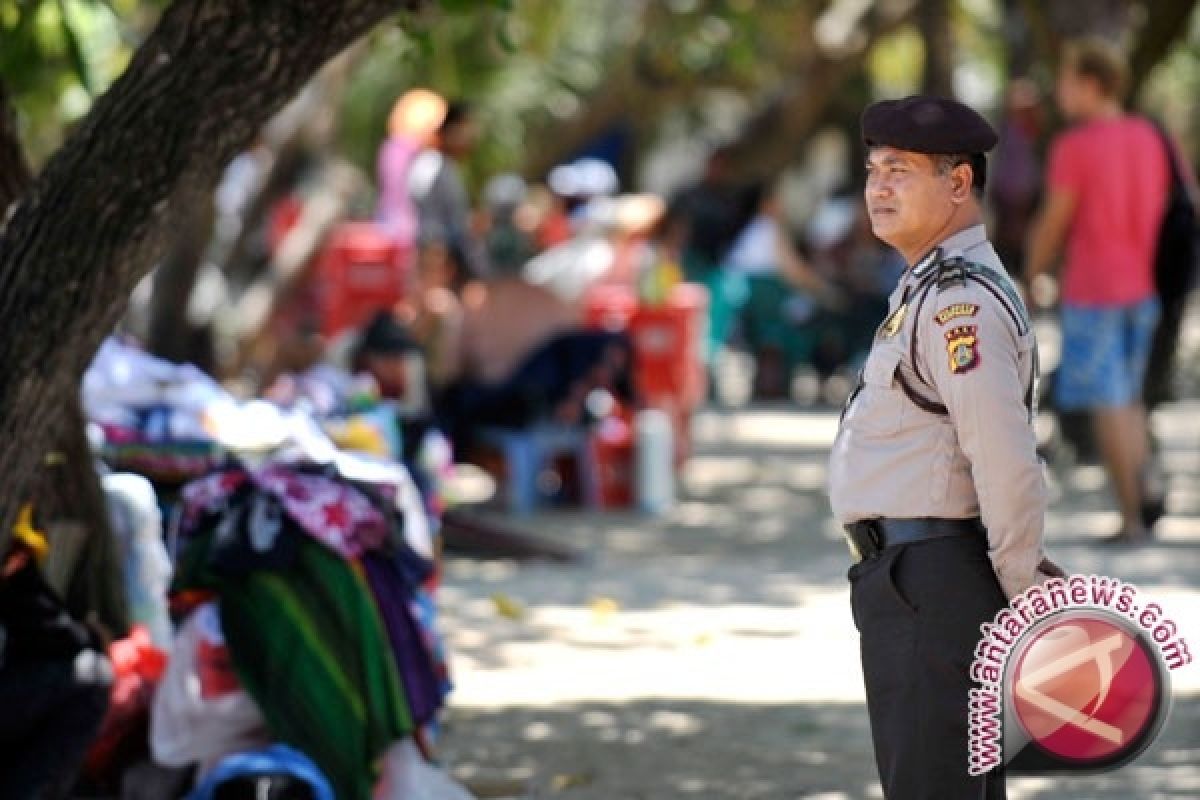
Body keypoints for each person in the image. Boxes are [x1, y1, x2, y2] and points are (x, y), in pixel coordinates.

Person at [828, 95, 1062, 799]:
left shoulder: (962, 302)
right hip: (915, 582)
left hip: (934, 586)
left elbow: (1005, 459)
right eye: (873, 170)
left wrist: (1024, 596)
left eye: (900, 169)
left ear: (958, 183)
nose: (878, 186)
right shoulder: (929, 288)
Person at [1024, 38, 1170, 543]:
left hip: (1094, 288)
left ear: (1090, 84)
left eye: (1065, 81)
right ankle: (1144, 495)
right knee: (1127, 400)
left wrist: (1029, 274)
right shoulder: (1149, 137)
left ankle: (1131, 518)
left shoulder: (1076, 146)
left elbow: (1054, 220)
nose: (1059, 92)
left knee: (1109, 405)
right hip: (1142, 286)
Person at [408, 101, 487, 284]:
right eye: (465, 130)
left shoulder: (447, 167)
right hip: (437, 260)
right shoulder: (430, 166)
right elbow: (429, 222)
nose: (470, 137)